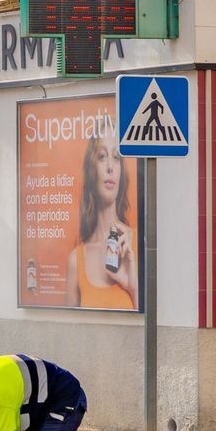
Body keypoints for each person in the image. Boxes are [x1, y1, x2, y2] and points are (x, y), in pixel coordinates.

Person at [64, 132, 137, 310]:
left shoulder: (137, 245)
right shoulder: (76, 259)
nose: (110, 167)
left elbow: (151, 326)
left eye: (116, 157)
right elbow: (68, 330)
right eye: (102, 157)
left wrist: (132, 287)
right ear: (91, 170)